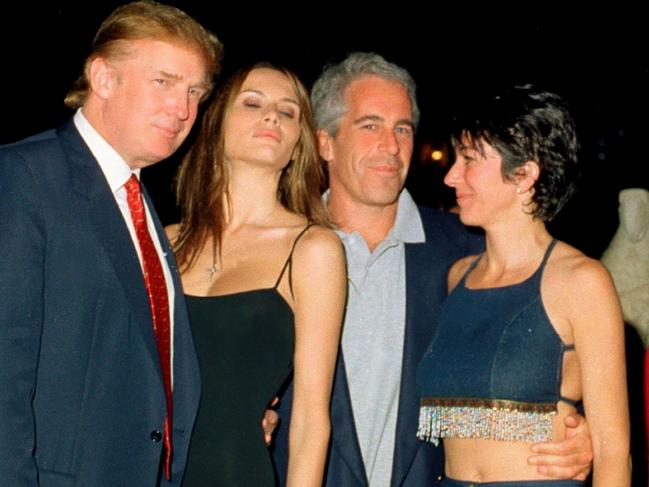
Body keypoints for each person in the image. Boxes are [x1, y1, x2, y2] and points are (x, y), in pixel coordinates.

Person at [272, 52, 594, 487]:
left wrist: (578, 433)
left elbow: (541, 363)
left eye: (402, 128)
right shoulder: (278, 251)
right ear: (325, 142)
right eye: (370, 126)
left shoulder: (469, 256)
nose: (391, 146)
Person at [0, 2, 222, 485]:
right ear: (102, 78)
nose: (182, 109)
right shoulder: (24, 178)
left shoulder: (137, 200)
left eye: (194, 92)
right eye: (163, 82)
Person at [417, 85, 630, 485]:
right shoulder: (457, 277)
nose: (451, 176)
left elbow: (614, 454)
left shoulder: (582, 281)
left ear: (524, 174)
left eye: (469, 160)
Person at [166, 63, 346, 486]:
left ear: (297, 145)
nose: (272, 117)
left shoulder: (314, 249)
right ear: (215, 123)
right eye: (253, 103)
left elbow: (309, 418)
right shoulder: (163, 242)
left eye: (288, 113)